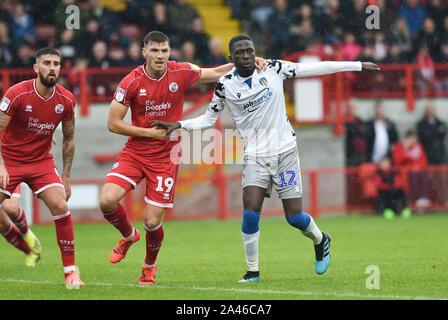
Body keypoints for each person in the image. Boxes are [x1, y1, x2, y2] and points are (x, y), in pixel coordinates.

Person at [151, 34, 380, 282]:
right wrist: (178, 124)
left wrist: (357, 65)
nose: (247, 56)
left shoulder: (273, 68)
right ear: (231, 58)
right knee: (250, 213)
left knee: (294, 217)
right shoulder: (225, 85)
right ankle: (252, 271)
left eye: (250, 51)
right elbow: (208, 119)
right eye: (240, 52)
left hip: (285, 153)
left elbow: (311, 68)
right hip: (255, 157)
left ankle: (320, 238)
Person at [98, 31, 266, 285]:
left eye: (164, 51)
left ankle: (149, 267)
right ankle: (128, 235)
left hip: (165, 158)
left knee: (152, 221)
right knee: (107, 201)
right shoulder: (131, 82)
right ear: (144, 52)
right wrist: (149, 133)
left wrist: (246, 61)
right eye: (154, 51)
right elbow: (112, 123)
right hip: (135, 152)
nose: (160, 56)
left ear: (169, 52)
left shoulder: (180, 71)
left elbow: (215, 72)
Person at [0, 47, 83, 288]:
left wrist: (65, 176)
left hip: (40, 163)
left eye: (56, 63)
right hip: (10, 160)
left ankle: (70, 273)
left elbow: (69, 138)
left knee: (60, 204)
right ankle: (27, 244)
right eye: (47, 63)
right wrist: (1, 165)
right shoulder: (17, 93)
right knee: (5, 217)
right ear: (36, 68)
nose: (52, 67)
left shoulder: (66, 99)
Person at [0, 184, 42, 266]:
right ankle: (30, 253)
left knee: (11, 208)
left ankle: (26, 233)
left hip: (7, 174)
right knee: (2, 226)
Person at [392, 129, 430, 207]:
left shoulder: (418, 146)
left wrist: (417, 167)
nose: (412, 140)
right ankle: (413, 200)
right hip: (406, 172)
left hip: (419, 170)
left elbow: (423, 159)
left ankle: (422, 198)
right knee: (412, 182)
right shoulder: (400, 146)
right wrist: (404, 149)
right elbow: (397, 160)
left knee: (424, 177)